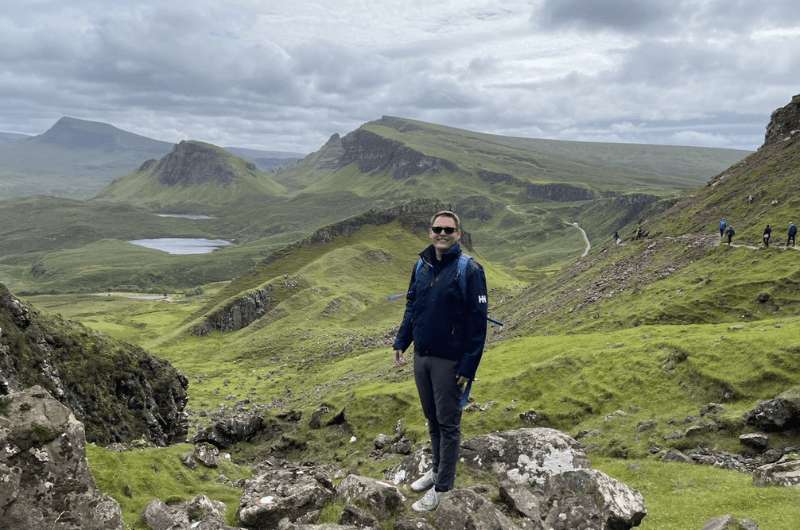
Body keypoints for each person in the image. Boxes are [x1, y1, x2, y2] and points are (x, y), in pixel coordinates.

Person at [393, 210, 488, 512]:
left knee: (448, 424)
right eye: (438, 229)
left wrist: (468, 366)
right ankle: (436, 472)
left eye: (449, 230)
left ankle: (443, 488)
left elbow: (478, 323)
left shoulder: (469, 270)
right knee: (432, 420)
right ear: (430, 232)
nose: (443, 234)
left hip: (450, 361)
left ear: (459, 234)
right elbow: (412, 305)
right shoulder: (421, 265)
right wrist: (402, 341)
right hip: (422, 357)